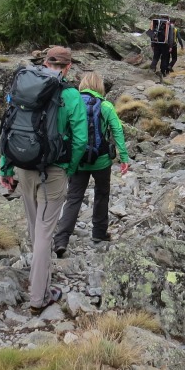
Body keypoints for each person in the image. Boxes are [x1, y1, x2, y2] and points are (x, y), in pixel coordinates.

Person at [0, 46, 87, 311]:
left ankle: (41, 282)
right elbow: (81, 139)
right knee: (45, 233)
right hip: (54, 171)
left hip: (23, 167)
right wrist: (69, 167)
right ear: (68, 67)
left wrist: (6, 168)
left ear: (46, 63)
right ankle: (39, 297)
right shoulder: (71, 94)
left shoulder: (24, 86)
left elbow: (8, 126)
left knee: (34, 227)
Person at [52, 72, 130, 255]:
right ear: (100, 86)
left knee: (74, 197)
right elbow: (117, 130)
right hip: (101, 161)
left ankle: (61, 240)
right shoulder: (106, 105)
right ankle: (99, 233)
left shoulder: (73, 102)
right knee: (102, 194)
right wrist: (124, 157)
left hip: (78, 160)